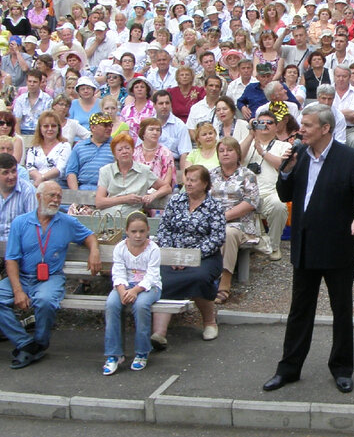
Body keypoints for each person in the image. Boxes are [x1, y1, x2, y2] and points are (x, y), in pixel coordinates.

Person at [263, 103, 354, 393]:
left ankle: (341, 368)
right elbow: (285, 193)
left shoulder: (350, 159)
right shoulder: (297, 155)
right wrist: (285, 170)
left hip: (337, 247)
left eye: (308, 125)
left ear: (325, 129)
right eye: (303, 124)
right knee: (299, 310)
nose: (302, 130)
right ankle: (288, 368)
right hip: (305, 247)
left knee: (341, 310)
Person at [0, 181, 100, 369]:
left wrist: (94, 251)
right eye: (51, 195)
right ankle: (26, 344)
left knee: (45, 301)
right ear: (39, 197)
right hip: (22, 275)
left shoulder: (66, 222)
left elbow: (90, 236)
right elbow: (11, 260)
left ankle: (40, 341)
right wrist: (18, 291)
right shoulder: (21, 223)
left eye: (59, 197)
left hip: (51, 277)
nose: (55, 200)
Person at [152, 164, 227, 346]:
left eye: (194, 180)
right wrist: (174, 255)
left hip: (204, 256)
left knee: (199, 277)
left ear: (205, 184)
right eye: (187, 180)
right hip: (173, 254)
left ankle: (209, 322)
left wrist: (190, 257)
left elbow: (217, 237)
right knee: (160, 277)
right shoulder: (175, 201)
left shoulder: (214, 206)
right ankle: (159, 333)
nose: (189, 184)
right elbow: (164, 230)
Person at [102, 211, 163, 374]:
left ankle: (142, 352)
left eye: (142, 231)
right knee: (112, 304)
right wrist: (122, 291)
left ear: (148, 230)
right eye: (134, 231)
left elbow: (152, 275)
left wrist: (135, 290)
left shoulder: (153, 249)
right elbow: (118, 272)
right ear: (127, 231)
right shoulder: (120, 248)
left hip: (149, 287)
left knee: (141, 305)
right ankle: (114, 354)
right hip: (126, 285)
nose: (138, 235)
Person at [209, 136, 261, 304]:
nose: (225, 154)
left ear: (238, 153)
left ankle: (224, 285)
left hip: (240, 225)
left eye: (230, 150)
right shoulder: (211, 175)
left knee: (228, 232)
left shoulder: (247, 175)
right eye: (221, 151)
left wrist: (224, 217)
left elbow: (251, 202)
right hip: (213, 221)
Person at [243, 110, 290, 261]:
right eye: (261, 122)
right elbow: (236, 157)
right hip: (245, 194)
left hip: (270, 193)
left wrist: (262, 152)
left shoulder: (283, 146)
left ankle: (273, 247)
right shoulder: (247, 141)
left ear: (277, 127)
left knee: (279, 205)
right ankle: (253, 242)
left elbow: (283, 165)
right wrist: (251, 135)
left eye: (269, 123)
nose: (265, 125)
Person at [95, 132, 156, 219]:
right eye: (120, 150)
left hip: (131, 219)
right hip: (107, 218)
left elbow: (166, 187)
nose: (124, 152)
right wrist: (125, 199)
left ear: (133, 150)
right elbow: (99, 202)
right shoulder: (106, 171)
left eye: (127, 148)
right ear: (114, 154)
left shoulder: (144, 170)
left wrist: (152, 195)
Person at [64, 112, 115, 192]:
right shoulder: (79, 147)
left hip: (108, 191)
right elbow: (71, 172)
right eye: (105, 125)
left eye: (110, 125)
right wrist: (76, 195)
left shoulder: (116, 146)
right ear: (93, 127)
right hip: (83, 189)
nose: (109, 128)